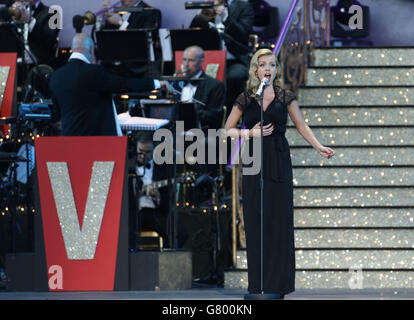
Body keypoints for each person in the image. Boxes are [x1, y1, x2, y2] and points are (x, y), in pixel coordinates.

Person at [224, 48, 335, 299]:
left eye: (272, 65)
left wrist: (318, 146)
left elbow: (301, 125)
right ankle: (258, 286)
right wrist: (249, 133)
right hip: (254, 160)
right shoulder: (246, 98)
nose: (268, 69)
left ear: (276, 69)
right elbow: (227, 130)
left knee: (277, 221)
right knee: (256, 220)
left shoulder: (286, 97)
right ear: (255, 69)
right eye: (263, 65)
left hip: (277, 159)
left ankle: (277, 285)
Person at [49, 33, 161, 136]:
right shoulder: (94, 72)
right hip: (97, 143)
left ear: (72, 49)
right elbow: (124, 84)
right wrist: (156, 83)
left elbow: (56, 116)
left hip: (69, 141)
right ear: (91, 49)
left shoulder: (56, 76)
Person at [131, 132, 187, 249]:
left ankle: (165, 259)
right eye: (140, 151)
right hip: (133, 213)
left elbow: (168, 200)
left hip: (155, 213)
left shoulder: (163, 168)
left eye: (147, 152)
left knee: (179, 231)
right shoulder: (128, 166)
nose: (143, 156)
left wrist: (158, 196)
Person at [177, 45, 226, 130]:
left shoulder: (215, 85)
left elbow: (214, 116)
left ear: (201, 61)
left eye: (191, 60)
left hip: (203, 132)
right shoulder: (177, 83)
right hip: (176, 129)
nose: (186, 64)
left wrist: (192, 113)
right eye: (184, 60)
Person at [26, 0, 60, 67]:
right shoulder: (15, 9)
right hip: (16, 62)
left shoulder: (52, 13)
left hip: (39, 65)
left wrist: (31, 21)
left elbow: (50, 40)